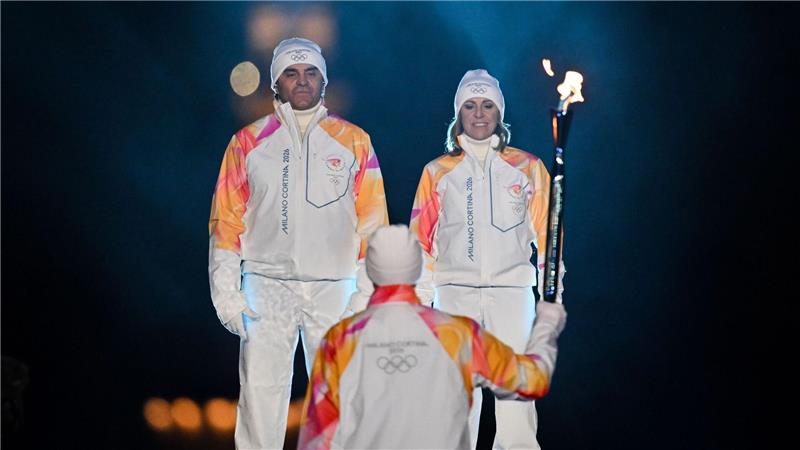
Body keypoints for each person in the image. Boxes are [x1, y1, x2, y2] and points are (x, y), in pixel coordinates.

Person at [208, 37, 388, 450]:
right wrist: (226, 295)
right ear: (276, 84)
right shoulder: (247, 143)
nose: (302, 81)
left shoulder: (355, 142)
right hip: (266, 286)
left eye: (311, 73)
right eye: (291, 73)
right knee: (260, 399)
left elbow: (373, 225)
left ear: (324, 81)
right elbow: (225, 221)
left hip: (335, 286)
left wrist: (363, 296)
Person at [297, 225, 567, 449]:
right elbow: (532, 380)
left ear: (370, 270)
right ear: (418, 269)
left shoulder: (341, 340)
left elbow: (318, 438)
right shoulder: (457, 335)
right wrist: (547, 323)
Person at [409, 69, 566, 449]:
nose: (479, 114)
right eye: (470, 106)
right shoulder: (436, 172)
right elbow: (420, 245)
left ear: (499, 113)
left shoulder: (529, 168)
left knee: (516, 403)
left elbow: (550, 239)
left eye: (487, 105)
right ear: (459, 114)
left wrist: (551, 296)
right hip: (454, 299)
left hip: (512, 297)